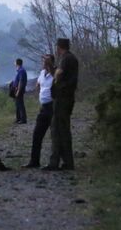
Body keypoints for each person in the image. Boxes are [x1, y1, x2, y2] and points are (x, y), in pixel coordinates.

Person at [43, 38, 79, 171]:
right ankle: (65, 162)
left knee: (58, 130)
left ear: (58, 47)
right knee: (61, 129)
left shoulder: (66, 59)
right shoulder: (71, 58)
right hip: (66, 98)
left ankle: (57, 162)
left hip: (62, 99)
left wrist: (49, 65)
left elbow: (58, 75)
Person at [22, 54, 55, 168]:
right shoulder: (42, 73)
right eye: (43, 61)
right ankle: (34, 161)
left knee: (55, 135)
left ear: (51, 62)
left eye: (46, 61)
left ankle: (54, 162)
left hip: (53, 107)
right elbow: (38, 85)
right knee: (37, 134)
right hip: (43, 107)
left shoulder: (55, 73)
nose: (44, 63)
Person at [12, 58, 28, 124]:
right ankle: (18, 118)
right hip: (17, 89)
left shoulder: (21, 70)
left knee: (20, 104)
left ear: (17, 63)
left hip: (19, 90)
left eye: (14, 62)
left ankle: (23, 119)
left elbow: (21, 81)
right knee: (17, 104)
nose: (14, 63)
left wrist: (18, 90)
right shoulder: (20, 70)